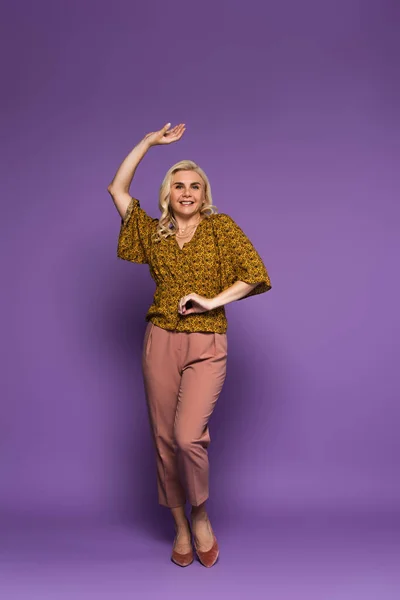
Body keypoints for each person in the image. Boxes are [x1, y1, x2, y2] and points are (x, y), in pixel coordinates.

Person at [107, 123, 272, 568]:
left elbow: (255, 274)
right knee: (163, 440)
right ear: (167, 193)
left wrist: (211, 300)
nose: (186, 192)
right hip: (159, 339)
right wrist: (147, 142)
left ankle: (200, 514)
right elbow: (117, 188)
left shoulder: (221, 228)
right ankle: (180, 526)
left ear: (204, 194)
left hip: (206, 341)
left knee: (187, 437)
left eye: (194, 186)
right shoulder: (152, 232)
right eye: (178, 185)